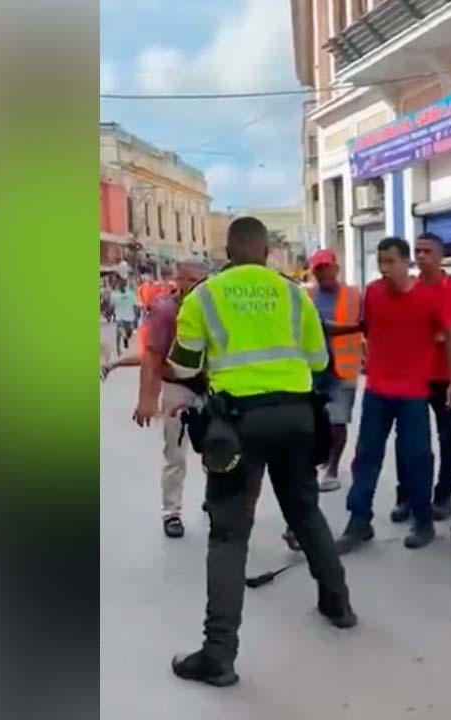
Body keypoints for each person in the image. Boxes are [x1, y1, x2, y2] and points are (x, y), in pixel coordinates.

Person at [165, 217, 354, 687]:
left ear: (228, 251)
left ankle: (218, 655)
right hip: (296, 418)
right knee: (305, 511)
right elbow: (318, 362)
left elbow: (184, 365)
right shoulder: (295, 294)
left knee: (229, 536)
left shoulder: (204, 295)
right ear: (267, 252)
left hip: (237, 425)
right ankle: (338, 604)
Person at [335, 236, 451, 553]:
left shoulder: (429, 298)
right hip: (377, 389)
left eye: (391, 261)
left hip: (414, 392)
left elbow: (449, 339)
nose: (384, 268)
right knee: (366, 457)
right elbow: (370, 329)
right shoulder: (374, 293)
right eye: (381, 262)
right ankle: (359, 521)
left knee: (416, 457)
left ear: (407, 263)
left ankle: (423, 520)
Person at [105, 260, 209, 539]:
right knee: (175, 453)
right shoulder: (166, 312)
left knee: (216, 447)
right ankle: (171, 512)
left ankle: (214, 499)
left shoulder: (212, 308)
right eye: (190, 280)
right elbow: (151, 358)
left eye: (201, 280)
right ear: (179, 280)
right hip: (178, 388)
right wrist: (146, 400)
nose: (197, 286)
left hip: (210, 388)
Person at [388, 232, 451, 522]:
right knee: (409, 439)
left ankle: (443, 496)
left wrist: (441, 337)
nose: (421, 256)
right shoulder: (406, 288)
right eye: (418, 251)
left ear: (439, 256)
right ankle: (407, 497)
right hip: (412, 377)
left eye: (427, 251)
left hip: (444, 376)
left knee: (447, 437)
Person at [306, 248, 362, 492]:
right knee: (316, 421)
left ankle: (331, 468)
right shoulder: (306, 297)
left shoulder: (354, 295)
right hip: (314, 370)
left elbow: (365, 324)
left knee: (339, 421)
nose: (323, 273)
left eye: (326, 267)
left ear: (336, 268)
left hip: (344, 369)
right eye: (318, 269)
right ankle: (319, 458)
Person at [110, 276, 138, 352]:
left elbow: (135, 304)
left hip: (130, 317)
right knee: (120, 331)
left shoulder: (130, 293)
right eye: (120, 283)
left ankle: (126, 338)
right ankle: (119, 348)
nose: (121, 285)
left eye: (124, 283)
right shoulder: (114, 294)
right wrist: (112, 312)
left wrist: (136, 315)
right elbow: (111, 305)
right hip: (120, 317)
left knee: (129, 333)